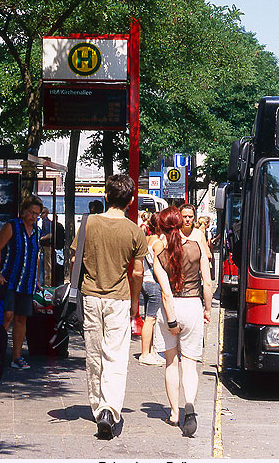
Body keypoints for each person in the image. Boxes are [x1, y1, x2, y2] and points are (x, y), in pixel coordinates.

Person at [71, 174, 146, 439]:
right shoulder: (135, 231)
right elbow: (137, 273)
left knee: (94, 354)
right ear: (131, 200)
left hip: (91, 296)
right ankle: (110, 409)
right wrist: (135, 303)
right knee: (115, 355)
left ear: (106, 197)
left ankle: (97, 406)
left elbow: (74, 261)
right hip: (120, 299)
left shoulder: (89, 224)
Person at [153, 206, 212, 437]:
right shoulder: (198, 247)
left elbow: (166, 293)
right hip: (193, 304)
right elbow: (207, 283)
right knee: (189, 363)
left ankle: (174, 414)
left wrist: (171, 321)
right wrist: (207, 309)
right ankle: (189, 404)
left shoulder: (160, 253)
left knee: (171, 363)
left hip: (172, 308)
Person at [0, 195, 43, 370]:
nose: (33, 217)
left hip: (27, 282)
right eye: (31, 213)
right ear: (24, 210)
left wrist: (36, 278)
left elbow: (35, 257)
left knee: (22, 319)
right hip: (10, 279)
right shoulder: (11, 226)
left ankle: (17, 357)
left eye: (37, 214)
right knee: (7, 316)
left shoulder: (37, 232)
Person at [139, 213, 165, 366]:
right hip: (154, 283)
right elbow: (160, 266)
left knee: (148, 318)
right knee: (151, 319)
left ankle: (148, 351)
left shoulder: (147, 239)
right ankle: (145, 353)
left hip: (144, 281)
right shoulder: (158, 243)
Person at [38, 207, 53, 287]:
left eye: (42, 213)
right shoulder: (43, 222)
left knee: (47, 266)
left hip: (47, 247)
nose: (41, 215)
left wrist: (40, 238)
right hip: (44, 246)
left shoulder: (47, 223)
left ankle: (48, 284)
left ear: (46, 213)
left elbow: (50, 235)